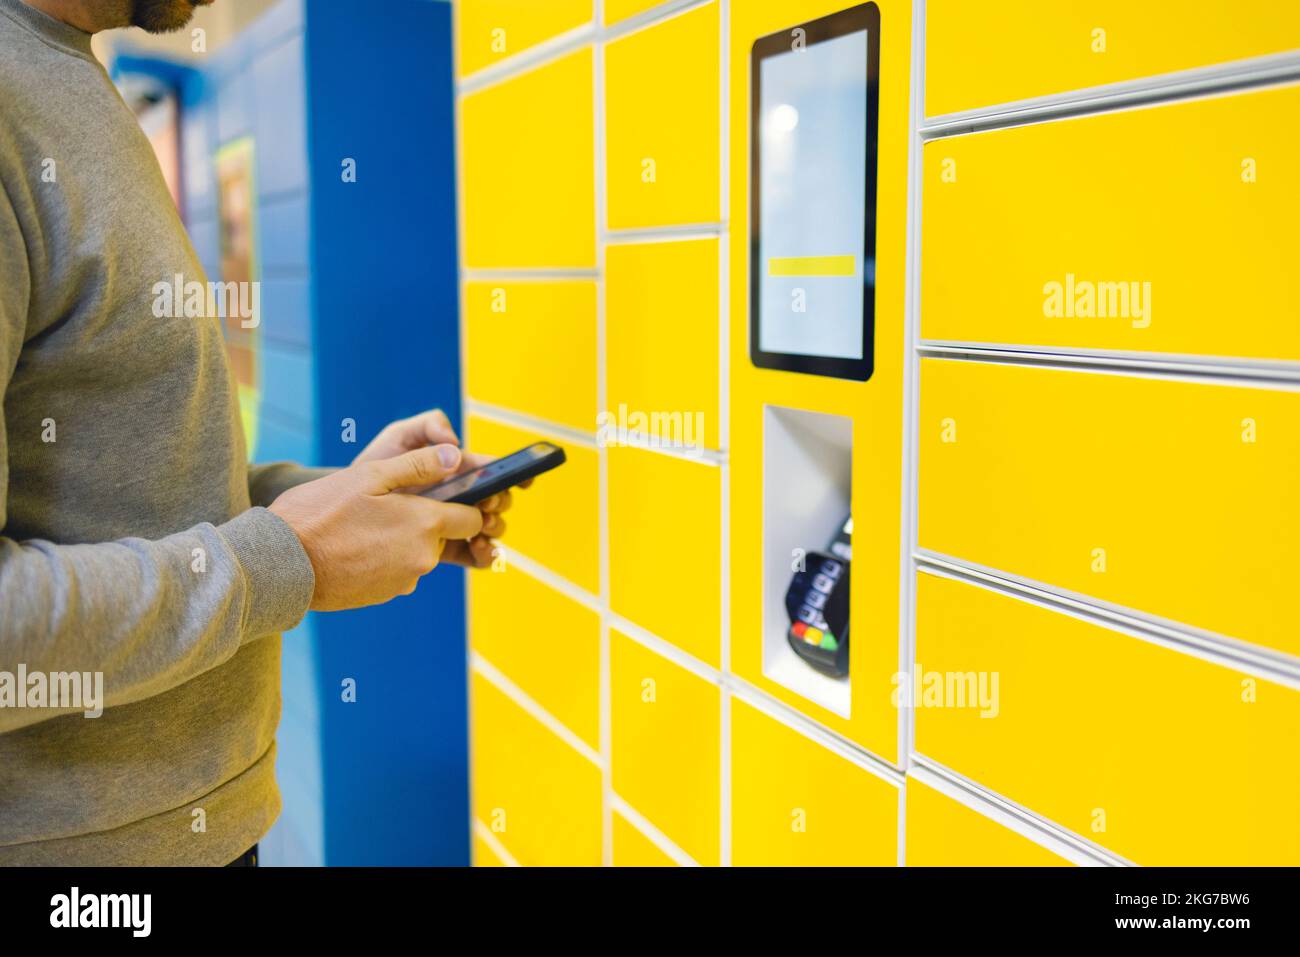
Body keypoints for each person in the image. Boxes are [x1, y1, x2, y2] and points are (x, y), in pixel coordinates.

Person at [0, 0, 515, 865]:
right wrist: (286, 557)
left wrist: (328, 503)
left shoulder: (66, 71)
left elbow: (115, 479)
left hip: (201, 828)